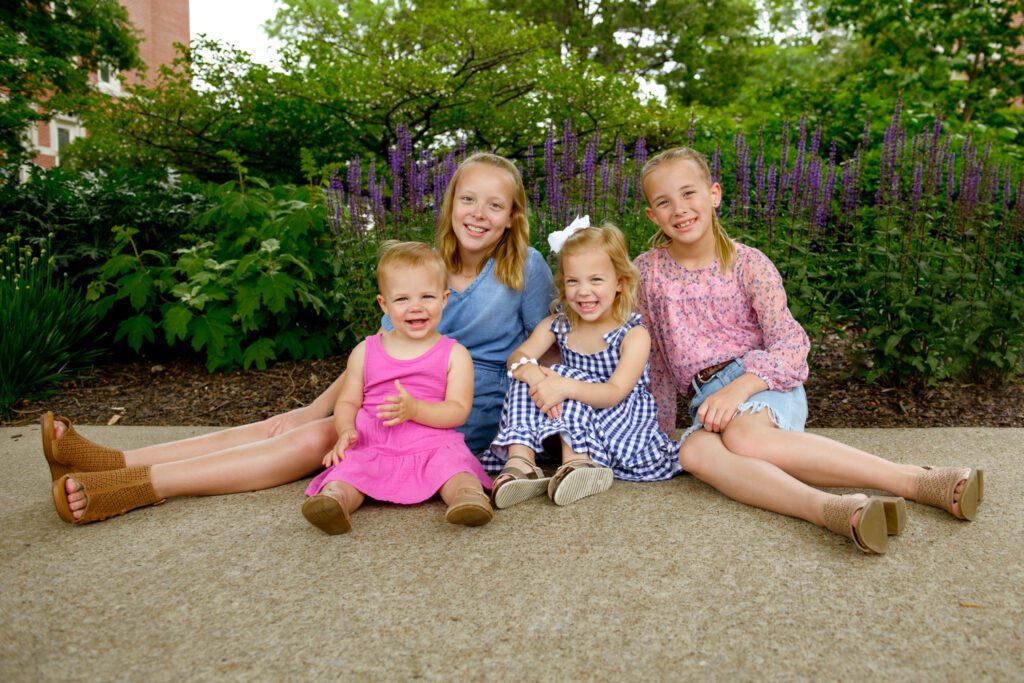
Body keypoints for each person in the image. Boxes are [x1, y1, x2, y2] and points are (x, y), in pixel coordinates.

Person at [44, 152, 553, 525]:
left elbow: (551, 340)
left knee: (314, 437)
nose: (478, 214)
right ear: (450, 204)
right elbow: (378, 356)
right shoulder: (425, 265)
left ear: (512, 217)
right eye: (468, 199)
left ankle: (138, 487)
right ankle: (114, 462)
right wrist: (315, 406)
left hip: (462, 406)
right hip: (386, 396)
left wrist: (539, 411)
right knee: (290, 423)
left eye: (494, 205)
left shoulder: (524, 268)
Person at [635, 146, 984, 554]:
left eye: (689, 193)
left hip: (763, 384)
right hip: (709, 404)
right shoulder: (647, 273)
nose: (679, 208)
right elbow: (652, 358)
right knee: (693, 453)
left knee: (746, 438)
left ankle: (915, 480)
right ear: (652, 215)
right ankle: (836, 510)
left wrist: (741, 387)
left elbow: (791, 343)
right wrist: (654, 433)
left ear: (714, 194)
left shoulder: (749, 265)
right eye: (664, 201)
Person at [301, 242, 492, 534]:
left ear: (444, 299)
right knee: (350, 470)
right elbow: (348, 402)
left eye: (426, 296)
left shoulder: (454, 354)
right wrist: (345, 431)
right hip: (374, 442)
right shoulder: (365, 351)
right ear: (384, 305)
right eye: (402, 299)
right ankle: (335, 500)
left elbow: (458, 411)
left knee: (455, 467)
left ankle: (467, 497)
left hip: (431, 443)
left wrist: (415, 409)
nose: (415, 306)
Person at [483, 223, 678, 509]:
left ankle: (579, 463)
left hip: (619, 424)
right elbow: (517, 357)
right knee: (527, 372)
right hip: (571, 415)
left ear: (620, 282)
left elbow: (614, 392)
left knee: (561, 375)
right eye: (573, 282)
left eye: (596, 280)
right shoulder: (557, 325)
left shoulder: (633, 335)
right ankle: (521, 461)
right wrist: (533, 375)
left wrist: (564, 385)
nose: (584, 292)